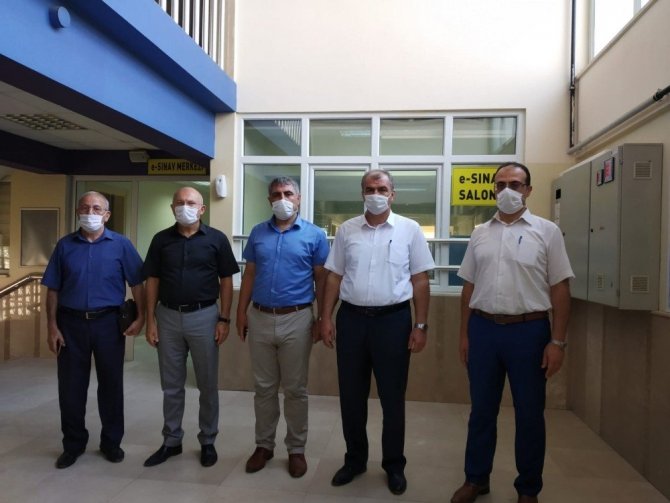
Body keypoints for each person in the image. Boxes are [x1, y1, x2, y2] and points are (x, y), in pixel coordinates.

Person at [450, 162, 573, 503]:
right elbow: (468, 287)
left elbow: (560, 288)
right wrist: (464, 335)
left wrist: (557, 341)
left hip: (529, 332)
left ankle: (528, 489)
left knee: (530, 414)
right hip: (483, 330)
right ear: (493, 189)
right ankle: (476, 479)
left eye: (515, 184)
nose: (507, 190)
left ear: (528, 190)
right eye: (501, 184)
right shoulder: (480, 233)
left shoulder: (547, 231)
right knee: (481, 411)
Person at [320, 169, 435, 495]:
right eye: (370, 189)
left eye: (382, 189)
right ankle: (355, 460)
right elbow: (333, 277)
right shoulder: (347, 230)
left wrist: (420, 325)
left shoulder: (410, 230)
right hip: (352, 320)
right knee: (351, 396)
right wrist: (325, 318)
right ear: (362, 193)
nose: (376, 194)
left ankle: (394, 465)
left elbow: (420, 280)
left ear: (392, 194)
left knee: (392, 398)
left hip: (393, 322)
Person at [42, 191, 146, 469]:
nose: (90, 212)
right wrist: (51, 326)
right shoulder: (65, 246)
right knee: (70, 388)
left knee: (111, 385)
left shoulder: (121, 245)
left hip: (108, 324)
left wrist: (142, 317)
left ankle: (111, 443)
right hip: (70, 324)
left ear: (107, 215)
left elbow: (138, 284)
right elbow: (52, 288)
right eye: (85, 207)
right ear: (78, 211)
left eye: (97, 208)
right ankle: (73, 444)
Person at [236, 177, 329, 478]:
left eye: (288, 193)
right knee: (263, 388)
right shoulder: (258, 233)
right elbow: (250, 274)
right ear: (269, 200)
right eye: (276, 194)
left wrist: (322, 318)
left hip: (297, 318)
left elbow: (322, 279)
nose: (282, 199)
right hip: (260, 316)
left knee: (295, 389)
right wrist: (240, 312)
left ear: (298, 198)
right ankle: (263, 445)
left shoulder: (315, 235)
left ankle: (296, 449)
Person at [142, 186, 239, 468]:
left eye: (191, 203)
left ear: (202, 209)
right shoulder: (161, 240)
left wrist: (224, 319)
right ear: (172, 207)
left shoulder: (216, 239)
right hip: (167, 317)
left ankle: (208, 440)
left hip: (205, 316)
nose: (185, 207)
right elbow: (152, 280)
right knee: (171, 385)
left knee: (207, 384)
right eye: (180, 202)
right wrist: (150, 320)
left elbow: (226, 280)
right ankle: (171, 440)